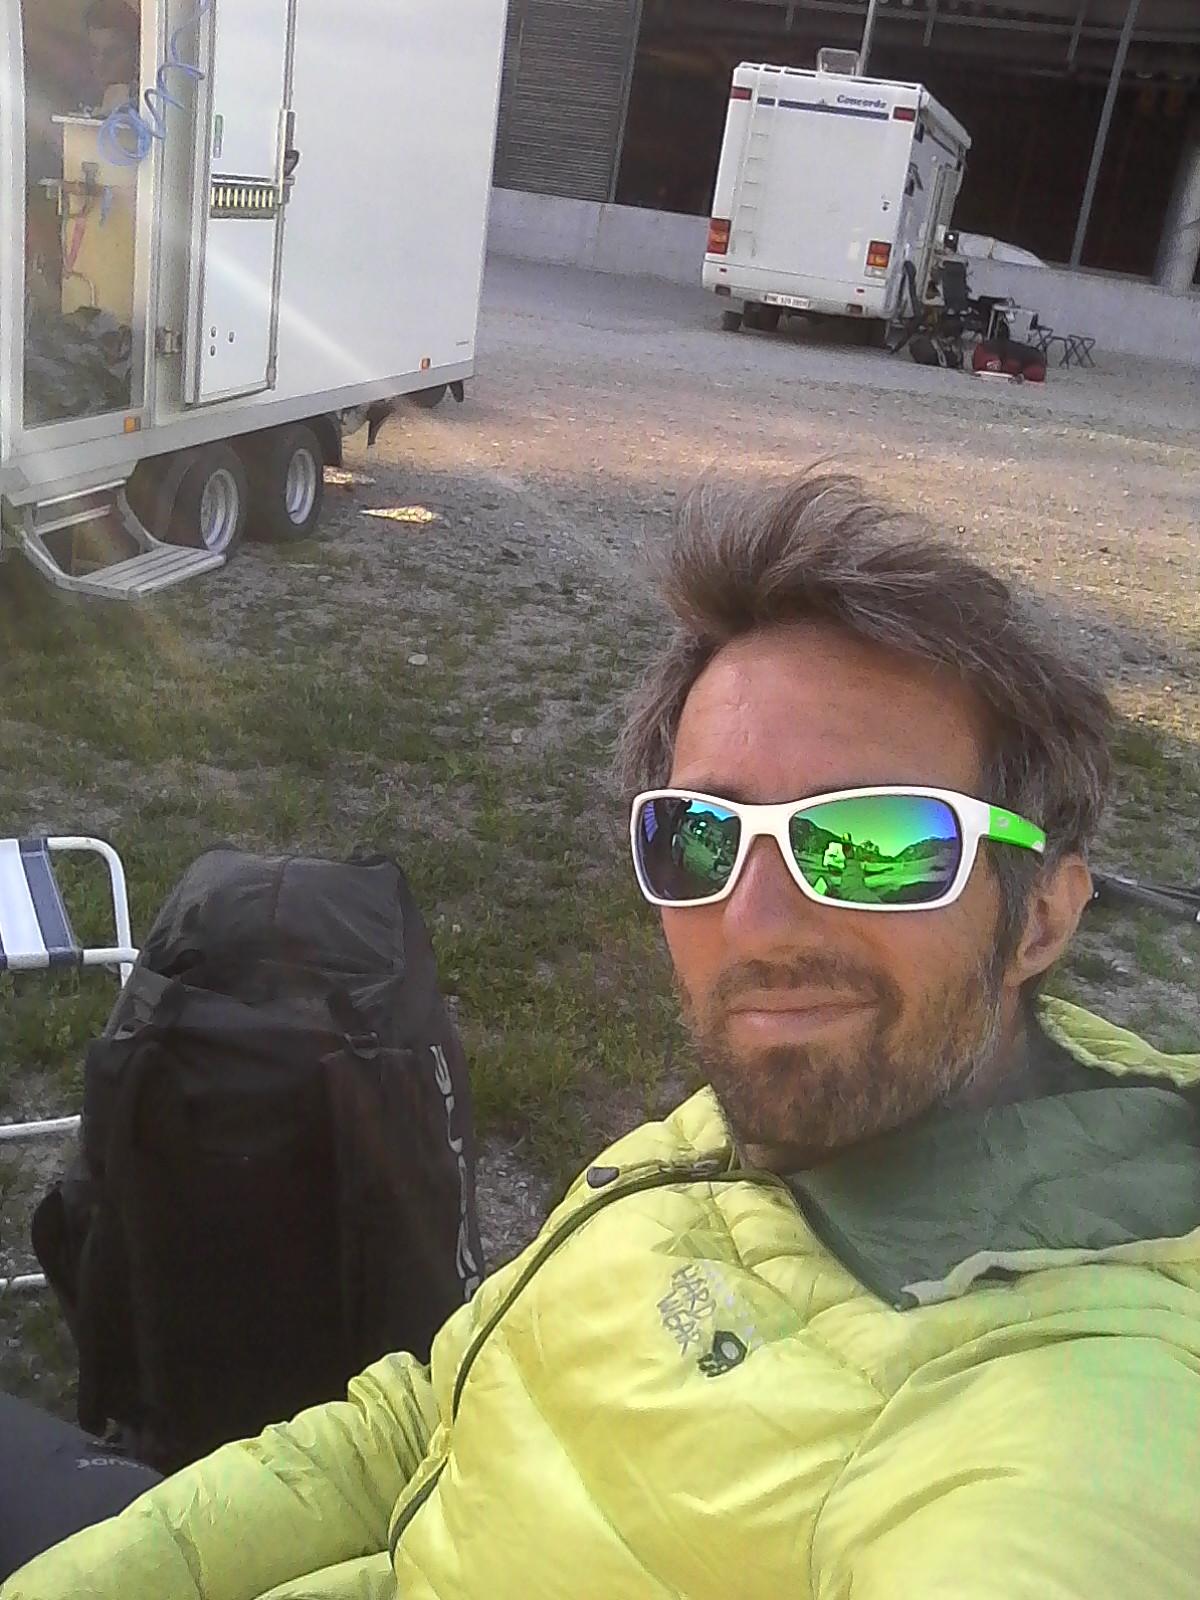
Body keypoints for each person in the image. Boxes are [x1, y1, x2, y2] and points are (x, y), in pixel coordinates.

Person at [4, 472, 1199, 1598]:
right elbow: (434, 1411)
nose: (755, 923)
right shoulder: (756, 1120)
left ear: (1042, 916)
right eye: (700, 838)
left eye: (878, 843)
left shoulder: (1070, 1406)